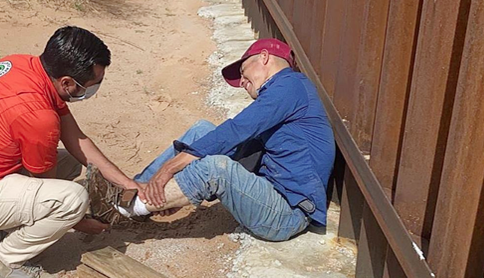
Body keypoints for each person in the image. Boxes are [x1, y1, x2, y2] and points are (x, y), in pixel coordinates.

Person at [0, 26, 141, 278]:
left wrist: (126, 182)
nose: (94, 89)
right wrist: (80, 222)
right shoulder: (38, 116)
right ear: (67, 83)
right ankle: (7, 260)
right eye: (91, 85)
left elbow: (76, 139)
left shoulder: (21, 66)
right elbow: (47, 185)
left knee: (68, 162)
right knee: (72, 199)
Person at [88, 38, 335, 241]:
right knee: (202, 130)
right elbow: (241, 149)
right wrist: (177, 188)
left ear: (264, 57)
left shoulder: (290, 85)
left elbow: (237, 130)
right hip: (265, 193)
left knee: (216, 167)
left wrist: (169, 170)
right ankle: (133, 190)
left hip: (286, 213)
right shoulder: (284, 94)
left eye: (243, 72)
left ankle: (126, 208)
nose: (243, 84)